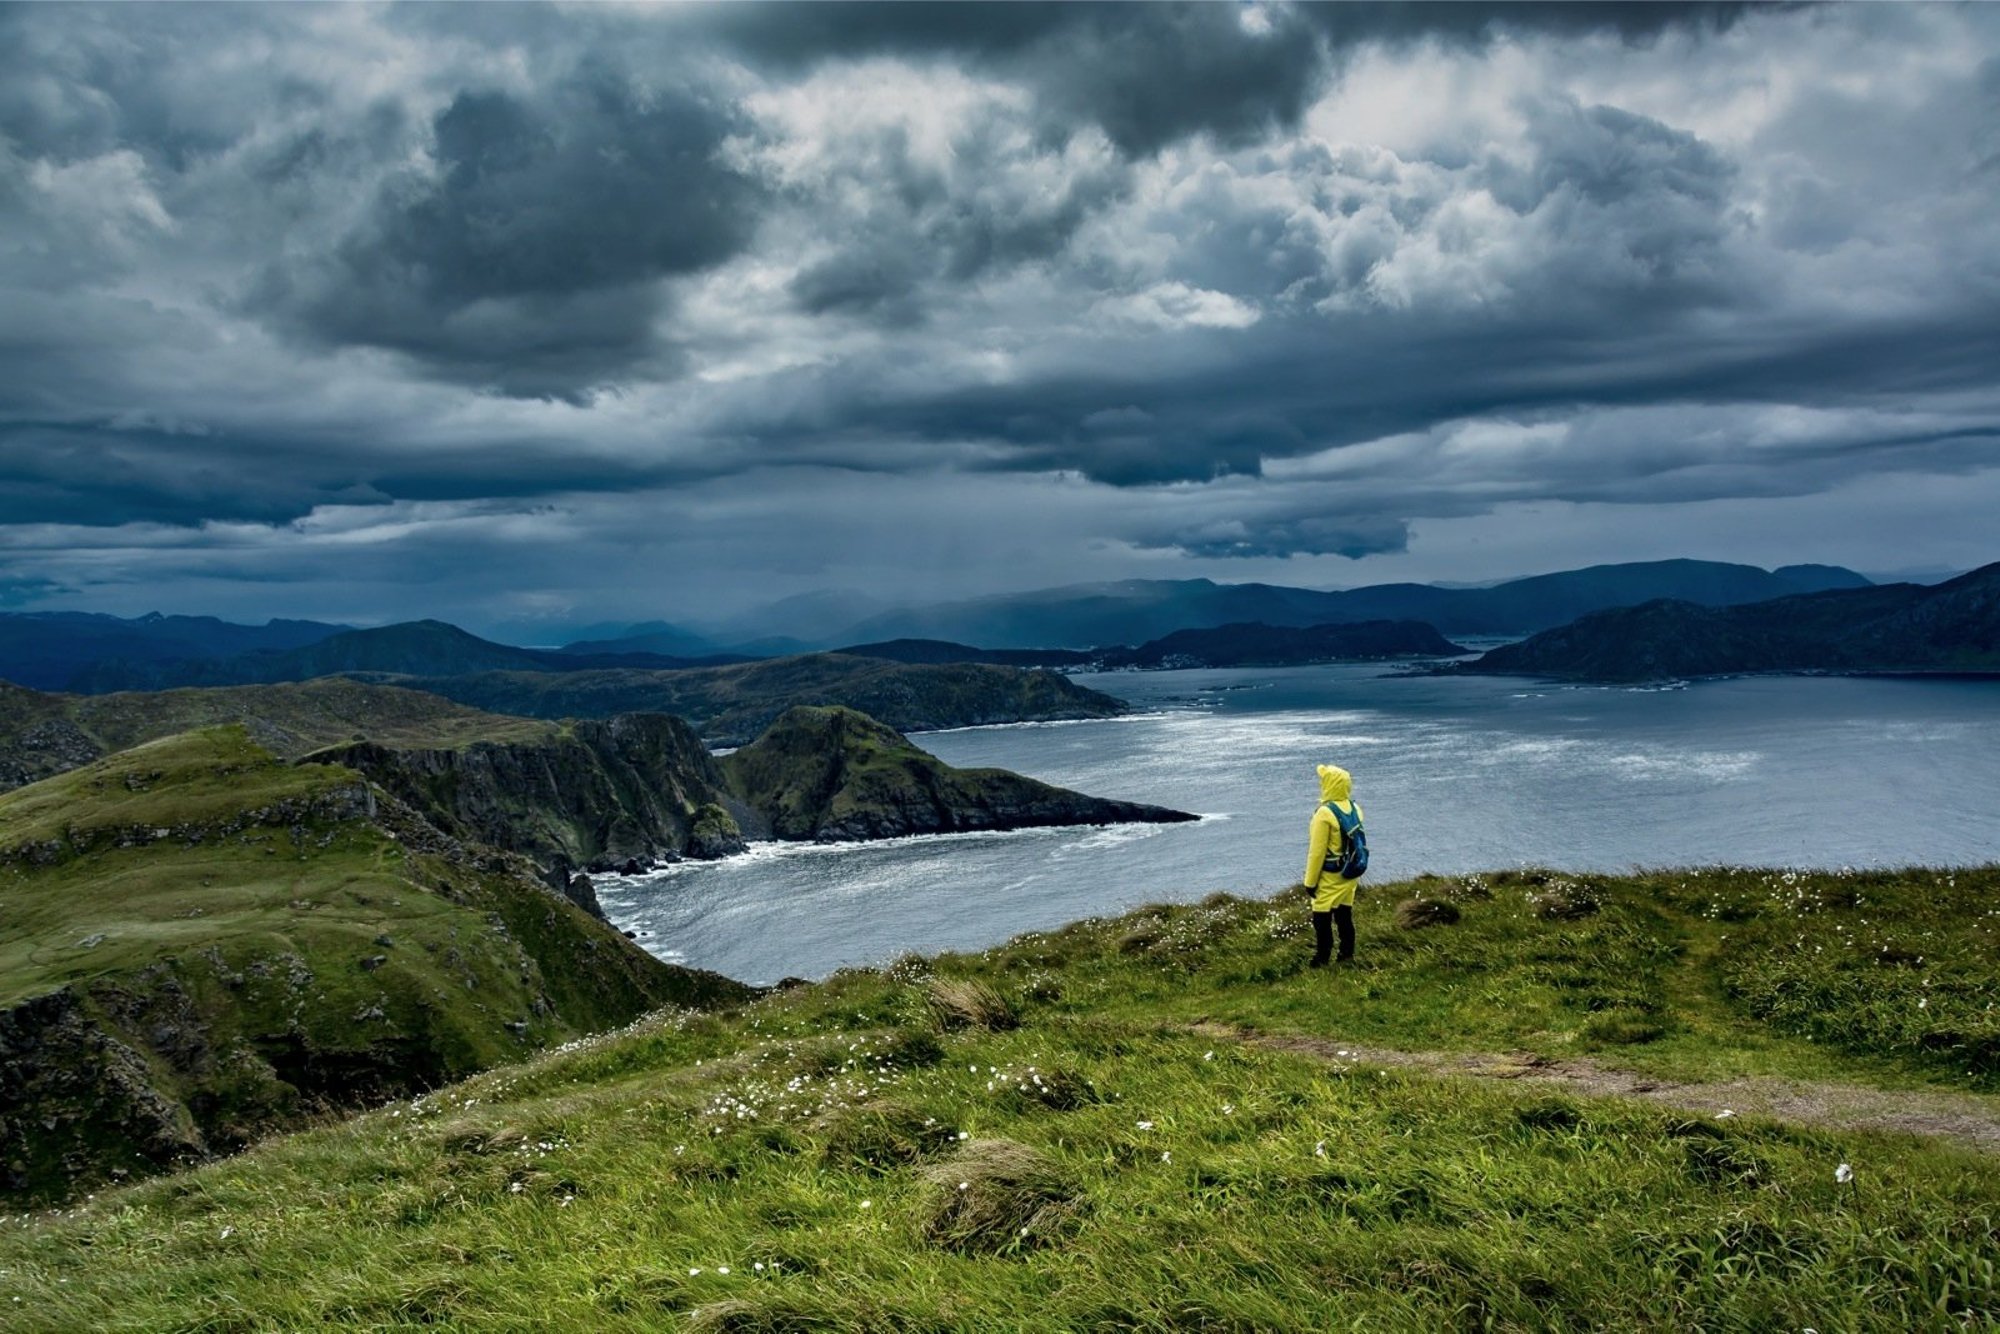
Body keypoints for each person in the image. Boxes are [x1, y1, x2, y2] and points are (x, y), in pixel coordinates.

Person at [1301, 763, 1362, 968]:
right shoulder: (1355, 808)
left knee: (1321, 918)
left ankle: (1322, 958)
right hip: (1350, 873)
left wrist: (1310, 882)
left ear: (1329, 784)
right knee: (1344, 915)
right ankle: (1346, 954)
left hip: (1330, 874)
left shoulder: (1324, 814)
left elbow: (1316, 852)